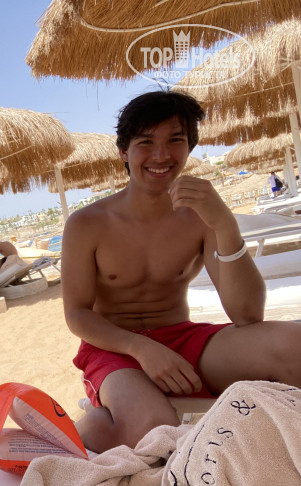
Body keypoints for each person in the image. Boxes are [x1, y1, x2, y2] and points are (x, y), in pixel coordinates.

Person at [61, 90, 301, 454]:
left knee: (293, 345)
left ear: (189, 147)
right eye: (146, 142)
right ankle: (98, 425)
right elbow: (77, 315)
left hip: (182, 339)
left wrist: (225, 225)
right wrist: (141, 348)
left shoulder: (201, 216)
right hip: (113, 347)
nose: (161, 155)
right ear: (123, 151)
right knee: (155, 432)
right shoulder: (86, 224)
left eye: (175, 140)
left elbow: (248, 315)